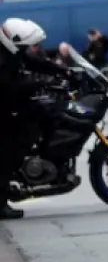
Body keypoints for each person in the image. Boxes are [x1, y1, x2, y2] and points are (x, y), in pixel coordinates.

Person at [0, 19, 78, 220]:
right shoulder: (2, 57)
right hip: (5, 108)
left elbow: (34, 62)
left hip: (12, 103)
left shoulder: (12, 52)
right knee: (12, 149)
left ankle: (45, 157)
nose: (27, 48)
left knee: (44, 113)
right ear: (14, 41)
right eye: (25, 45)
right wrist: (39, 83)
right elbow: (10, 85)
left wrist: (63, 72)